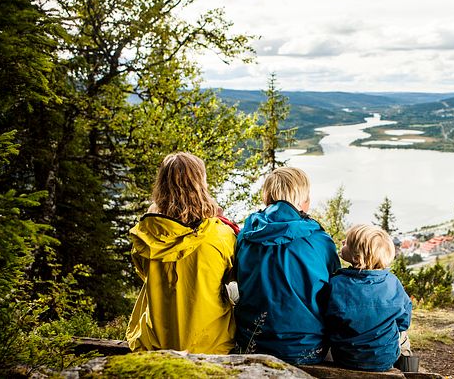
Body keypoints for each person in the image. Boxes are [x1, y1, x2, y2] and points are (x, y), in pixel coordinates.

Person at [126, 152, 237, 354]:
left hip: (156, 344)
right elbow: (233, 277)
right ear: (200, 185)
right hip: (211, 346)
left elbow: (144, 274)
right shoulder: (221, 235)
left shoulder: (146, 235)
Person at [234, 167, 340, 364]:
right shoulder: (320, 241)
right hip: (306, 348)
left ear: (267, 197)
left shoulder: (246, 235)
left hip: (252, 342)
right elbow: (334, 291)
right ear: (303, 201)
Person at [325, 224, 413, 372]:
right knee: (404, 337)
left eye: (346, 242)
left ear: (357, 257)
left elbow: (328, 319)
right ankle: (408, 367)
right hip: (383, 359)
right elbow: (404, 321)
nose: (342, 243)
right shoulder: (393, 282)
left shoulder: (336, 283)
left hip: (345, 358)